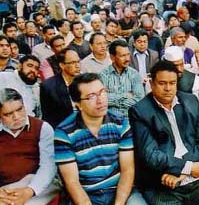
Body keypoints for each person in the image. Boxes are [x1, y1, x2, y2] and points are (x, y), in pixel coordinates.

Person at [128, 60, 199, 205]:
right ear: (152, 84)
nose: (168, 88)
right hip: (163, 185)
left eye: (172, 83)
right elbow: (151, 155)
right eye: (162, 83)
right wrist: (189, 167)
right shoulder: (140, 111)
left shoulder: (190, 101)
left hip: (198, 180)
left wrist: (184, 171)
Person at [54, 73, 147, 205]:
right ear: (78, 104)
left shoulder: (120, 123)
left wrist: (118, 203)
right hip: (87, 194)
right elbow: (72, 182)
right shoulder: (64, 132)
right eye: (91, 96)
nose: (100, 100)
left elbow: (128, 170)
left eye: (102, 92)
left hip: (120, 190)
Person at [0, 88, 61, 205]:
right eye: (8, 114)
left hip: (40, 186)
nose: (16, 117)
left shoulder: (42, 128)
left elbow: (48, 167)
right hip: (7, 189)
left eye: (19, 109)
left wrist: (29, 191)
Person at [0, 55, 42, 124]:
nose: (33, 70)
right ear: (19, 66)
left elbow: (38, 115)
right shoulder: (3, 77)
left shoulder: (36, 87)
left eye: (36, 68)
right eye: (29, 66)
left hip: (29, 127)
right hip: (5, 126)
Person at [99, 40, 146, 117]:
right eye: (122, 56)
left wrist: (113, 99)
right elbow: (102, 100)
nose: (127, 59)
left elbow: (139, 99)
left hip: (131, 118)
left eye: (128, 55)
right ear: (112, 57)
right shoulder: (103, 75)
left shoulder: (134, 74)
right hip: (110, 119)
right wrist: (126, 95)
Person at [40, 48, 80, 127]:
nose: (77, 66)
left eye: (78, 61)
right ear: (62, 65)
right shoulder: (49, 87)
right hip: (63, 128)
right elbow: (49, 118)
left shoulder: (85, 81)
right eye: (72, 63)